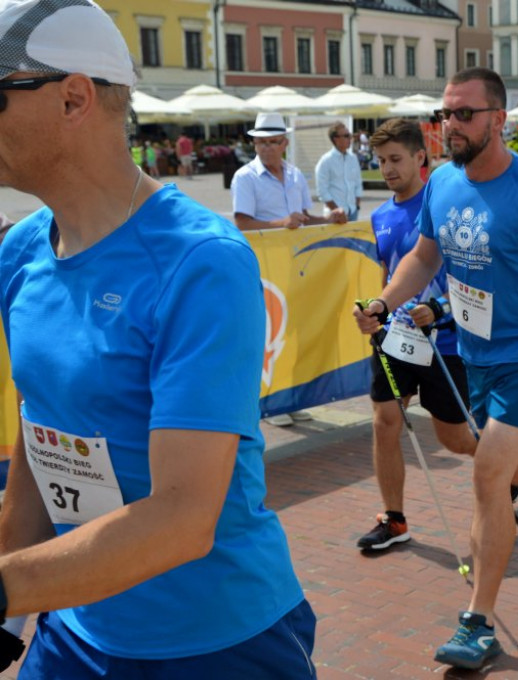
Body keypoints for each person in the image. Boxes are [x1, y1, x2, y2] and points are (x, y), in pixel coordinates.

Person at [0, 1, 315, 676]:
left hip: (214, 640)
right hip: (74, 621)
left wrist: (5, 588)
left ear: (73, 98)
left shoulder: (200, 261)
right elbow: (40, 433)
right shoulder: (21, 252)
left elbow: (181, 519)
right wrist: (8, 617)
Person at [354, 67, 518, 671]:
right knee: (511, 462)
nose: (451, 126)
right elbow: (424, 255)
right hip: (473, 352)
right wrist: (385, 304)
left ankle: (477, 622)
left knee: (489, 473)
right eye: (444, 115)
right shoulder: (441, 182)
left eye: (464, 114)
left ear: (499, 119)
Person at [358, 118, 478, 552]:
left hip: (444, 342)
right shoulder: (380, 215)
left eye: (395, 160)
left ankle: (507, 474)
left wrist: (441, 307)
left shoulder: (444, 202)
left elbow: (471, 270)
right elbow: (388, 275)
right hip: (396, 339)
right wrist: (376, 310)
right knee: (385, 422)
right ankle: (394, 520)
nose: (387, 169)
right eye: (381, 161)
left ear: (419, 158)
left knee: (456, 439)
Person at [231, 111, 348, 427]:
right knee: (268, 333)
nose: (266, 147)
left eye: (272, 142)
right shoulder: (245, 177)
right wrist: (280, 223)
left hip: (296, 264)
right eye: (260, 142)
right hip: (265, 266)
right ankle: (268, 401)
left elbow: (304, 218)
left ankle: (292, 397)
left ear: (284, 143)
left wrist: (330, 219)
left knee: (295, 331)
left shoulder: (295, 175)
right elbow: (241, 223)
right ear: (254, 143)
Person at [315, 122, 363, 221]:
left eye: (350, 135)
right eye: (346, 136)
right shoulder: (325, 161)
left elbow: (358, 183)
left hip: (353, 212)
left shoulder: (353, 158)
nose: (350, 138)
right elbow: (322, 191)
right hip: (334, 216)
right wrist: (337, 211)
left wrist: (357, 205)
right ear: (336, 139)